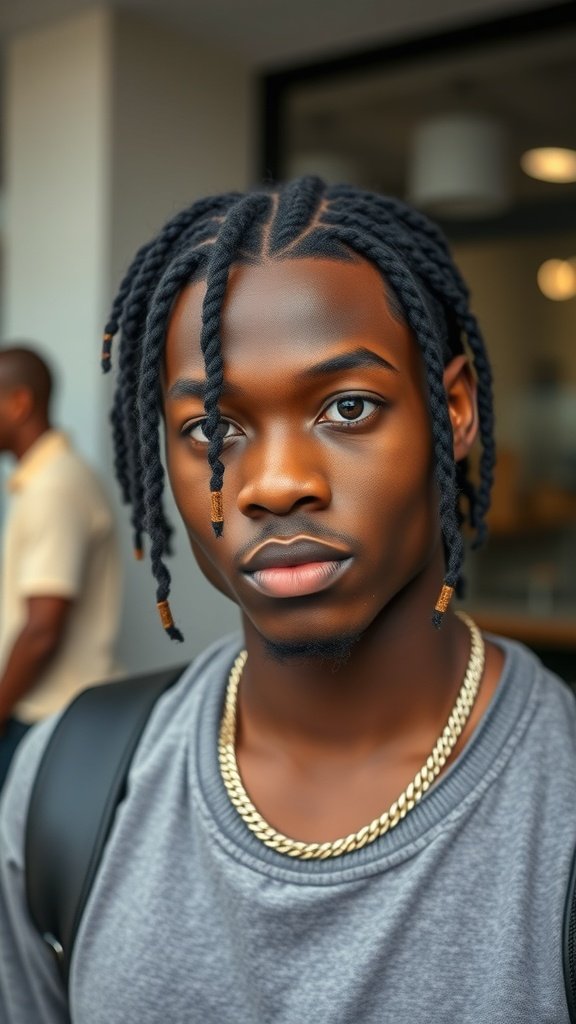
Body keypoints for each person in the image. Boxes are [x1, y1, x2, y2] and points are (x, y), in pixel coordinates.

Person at [1, 178, 576, 1022]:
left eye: (347, 407)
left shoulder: (557, 811)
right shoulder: (64, 788)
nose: (275, 485)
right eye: (212, 430)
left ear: (453, 412)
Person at [0, 346, 122, 789]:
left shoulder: (53, 487)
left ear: (18, 403)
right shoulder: (48, 479)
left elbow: (41, 631)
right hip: (50, 719)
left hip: (47, 722)